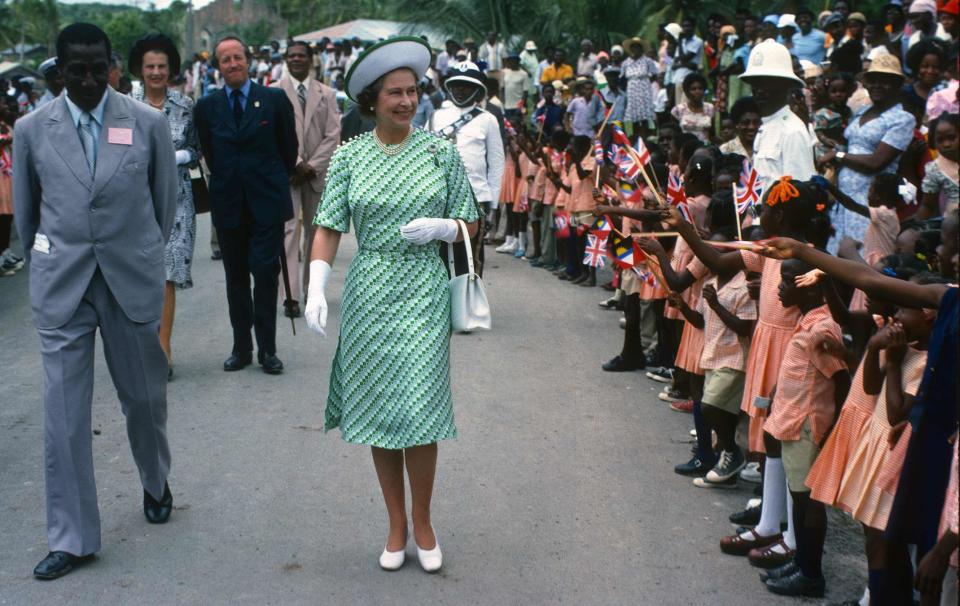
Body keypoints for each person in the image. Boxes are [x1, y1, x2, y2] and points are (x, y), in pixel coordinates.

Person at [303, 36, 480, 573]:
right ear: (372, 100)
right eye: (394, 93)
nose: (405, 101)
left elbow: (471, 222)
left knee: (421, 408)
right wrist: (315, 284)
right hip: (371, 289)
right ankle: (395, 523)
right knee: (381, 410)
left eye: (411, 91)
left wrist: (445, 228)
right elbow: (329, 225)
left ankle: (423, 521)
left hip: (424, 290)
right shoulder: (351, 156)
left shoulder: (439, 152)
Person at [12, 22, 179, 580]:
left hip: (129, 279)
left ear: (112, 65)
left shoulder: (147, 123)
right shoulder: (34, 129)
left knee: (144, 400)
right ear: (59, 72)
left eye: (97, 67)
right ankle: (73, 536)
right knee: (63, 416)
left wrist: (137, 253)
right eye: (75, 70)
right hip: (64, 287)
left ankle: (155, 481)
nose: (88, 80)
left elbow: (164, 203)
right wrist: (54, 259)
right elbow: (30, 217)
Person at [194, 35, 298, 375]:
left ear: (248, 60)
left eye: (238, 57)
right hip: (229, 206)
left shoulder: (273, 99)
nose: (233, 64)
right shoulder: (207, 107)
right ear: (218, 67)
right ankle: (241, 349)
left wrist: (268, 182)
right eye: (225, 60)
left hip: (266, 203)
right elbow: (210, 152)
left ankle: (268, 349)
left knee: (265, 275)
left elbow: (288, 149)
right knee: (235, 277)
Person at [128, 34, 200, 380]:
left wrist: (174, 157)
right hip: (132, 202)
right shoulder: (125, 104)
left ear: (170, 69)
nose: (156, 72)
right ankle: (139, 347)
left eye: (162, 66)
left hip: (177, 200)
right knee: (140, 275)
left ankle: (163, 349)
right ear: (140, 70)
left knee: (166, 275)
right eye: (150, 66)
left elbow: (197, 151)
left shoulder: (185, 105)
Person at [271, 40, 340, 317]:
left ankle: (313, 291)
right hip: (288, 173)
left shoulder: (327, 93)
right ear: (285, 60)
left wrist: (311, 166)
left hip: (316, 175)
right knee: (288, 232)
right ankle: (290, 295)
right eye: (291, 56)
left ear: (311, 60)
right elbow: (272, 134)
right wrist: (295, 163)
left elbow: (333, 135)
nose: (296, 59)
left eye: (301, 55)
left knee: (316, 233)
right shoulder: (273, 93)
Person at [820, 54, 915, 251]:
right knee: (835, 257)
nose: (877, 85)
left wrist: (838, 156)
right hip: (844, 196)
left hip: (870, 199)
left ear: (897, 85)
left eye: (885, 81)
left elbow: (876, 162)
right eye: (873, 80)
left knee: (861, 258)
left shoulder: (902, 119)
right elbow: (852, 146)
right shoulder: (862, 111)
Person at [430, 60, 504, 276]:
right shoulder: (436, 116)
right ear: (449, 87)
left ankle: (470, 306)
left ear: (478, 90)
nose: (461, 90)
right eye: (457, 85)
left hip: (475, 198)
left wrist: (493, 204)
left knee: (470, 257)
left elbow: (497, 164)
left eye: (467, 86)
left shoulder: (488, 119)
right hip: (438, 196)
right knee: (438, 254)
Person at [621, 37, 658, 137]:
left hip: (644, 88)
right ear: (631, 49)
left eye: (638, 47)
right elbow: (622, 77)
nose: (635, 49)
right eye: (633, 47)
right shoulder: (626, 63)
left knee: (645, 113)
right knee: (634, 113)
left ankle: (648, 134)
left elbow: (654, 74)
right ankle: (635, 136)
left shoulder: (647, 61)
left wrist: (645, 83)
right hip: (632, 89)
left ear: (641, 49)